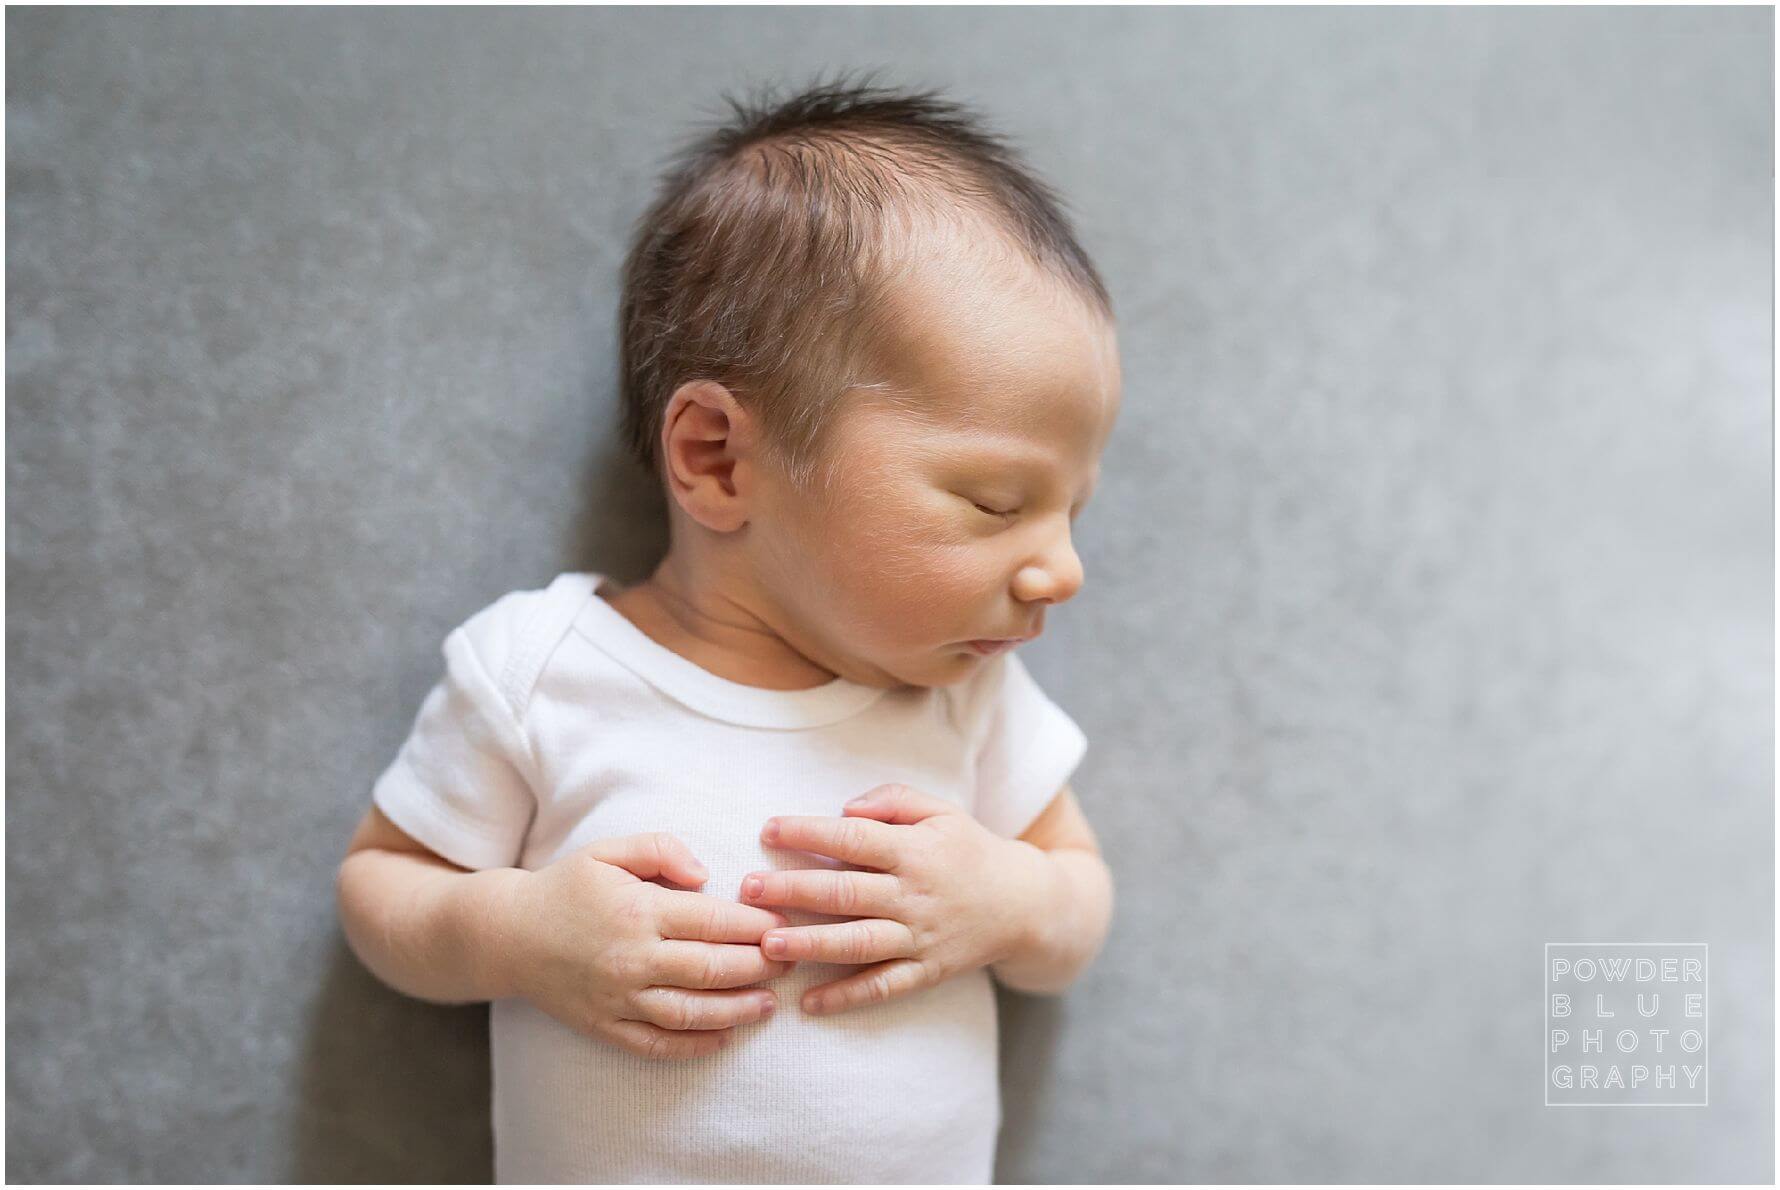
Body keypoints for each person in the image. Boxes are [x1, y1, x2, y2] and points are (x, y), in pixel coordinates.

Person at [335, 70, 1119, 1184]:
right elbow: (380, 888)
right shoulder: (544, 669)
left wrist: (1003, 901)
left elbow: (1078, 901)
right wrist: (520, 933)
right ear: (716, 457)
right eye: (997, 501)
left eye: (1072, 511)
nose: (1063, 568)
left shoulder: (964, 693)